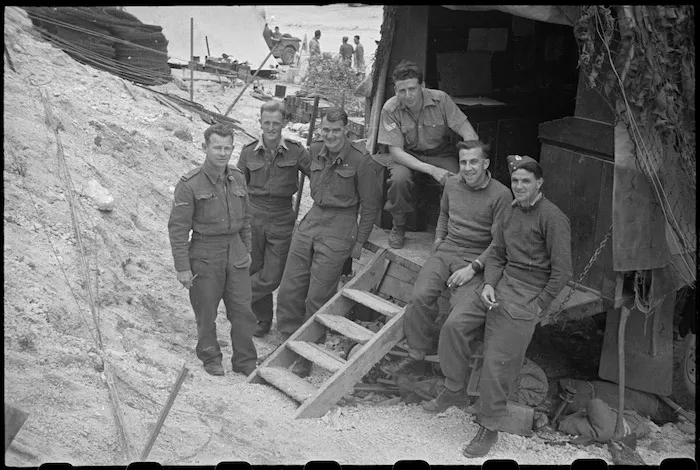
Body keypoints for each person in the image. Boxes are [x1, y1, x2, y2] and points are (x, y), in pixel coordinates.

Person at [442, 154, 572, 458]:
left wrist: (539, 304)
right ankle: (454, 388)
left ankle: (488, 427)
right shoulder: (510, 212)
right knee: (454, 325)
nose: (519, 186)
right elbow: (497, 254)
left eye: (526, 181)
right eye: (515, 181)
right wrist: (488, 284)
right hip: (500, 284)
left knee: (498, 360)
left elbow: (562, 271)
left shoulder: (553, 218)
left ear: (539, 183)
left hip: (528, 293)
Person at [382, 140, 512, 382]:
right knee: (420, 297)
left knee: (458, 315)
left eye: (474, 162)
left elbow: (499, 244)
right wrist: (439, 240)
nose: (468, 168)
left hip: (477, 256)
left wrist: (473, 268)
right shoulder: (452, 183)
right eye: (463, 162)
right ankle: (417, 355)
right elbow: (444, 214)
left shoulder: (501, 194)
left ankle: (451, 373)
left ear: (485, 163)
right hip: (446, 250)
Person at [275, 107, 383, 378]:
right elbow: (301, 164)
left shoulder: (361, 161)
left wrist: (359, 242)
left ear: (346, 130)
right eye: (326, 130)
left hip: (341, 224)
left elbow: (370, 206)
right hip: (313, 218)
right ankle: (286, 344)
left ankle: (306, 355)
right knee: (290, 287)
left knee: (318, 294)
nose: (331, 135)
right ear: (320, 129)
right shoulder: (314, 150)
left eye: (336, 130)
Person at [167, 123, 258, 377]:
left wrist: (247, 250)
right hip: (205, 252)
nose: (222, 153)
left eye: (227, 148)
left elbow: (246, 219)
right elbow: (177, 229)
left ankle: (245, 361)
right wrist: (183, 268)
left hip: (236, 251)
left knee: (243, 311)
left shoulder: (238, 177)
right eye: (217, 147)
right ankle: (211, 357)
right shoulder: (190, 184)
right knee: (206, 312)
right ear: (205, 147)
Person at [375, 60, 479, 249]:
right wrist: (432, 170)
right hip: (405, 156)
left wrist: (468, 163)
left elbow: (469, 133)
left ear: (422, 86)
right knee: (399, 180)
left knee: (457, 180)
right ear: (395, 91)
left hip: (439, 153)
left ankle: (452, 231)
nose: (408, 95)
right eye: (402, 91)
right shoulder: (390, 109)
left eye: (412, 89)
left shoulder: (441, 100)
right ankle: (399, 226)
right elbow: (396, 152)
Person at [237, 100, 311, 337]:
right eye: (267, 123)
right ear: (260, 123)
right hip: (253, 216)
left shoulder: (297, 151)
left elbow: (319, 175)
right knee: (254, 267)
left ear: (284, 123)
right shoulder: (248, 152)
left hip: (281, 216)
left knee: (272, 275)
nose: (271, 128)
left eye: (276, 123)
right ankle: (262, 320)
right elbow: (238, 187)